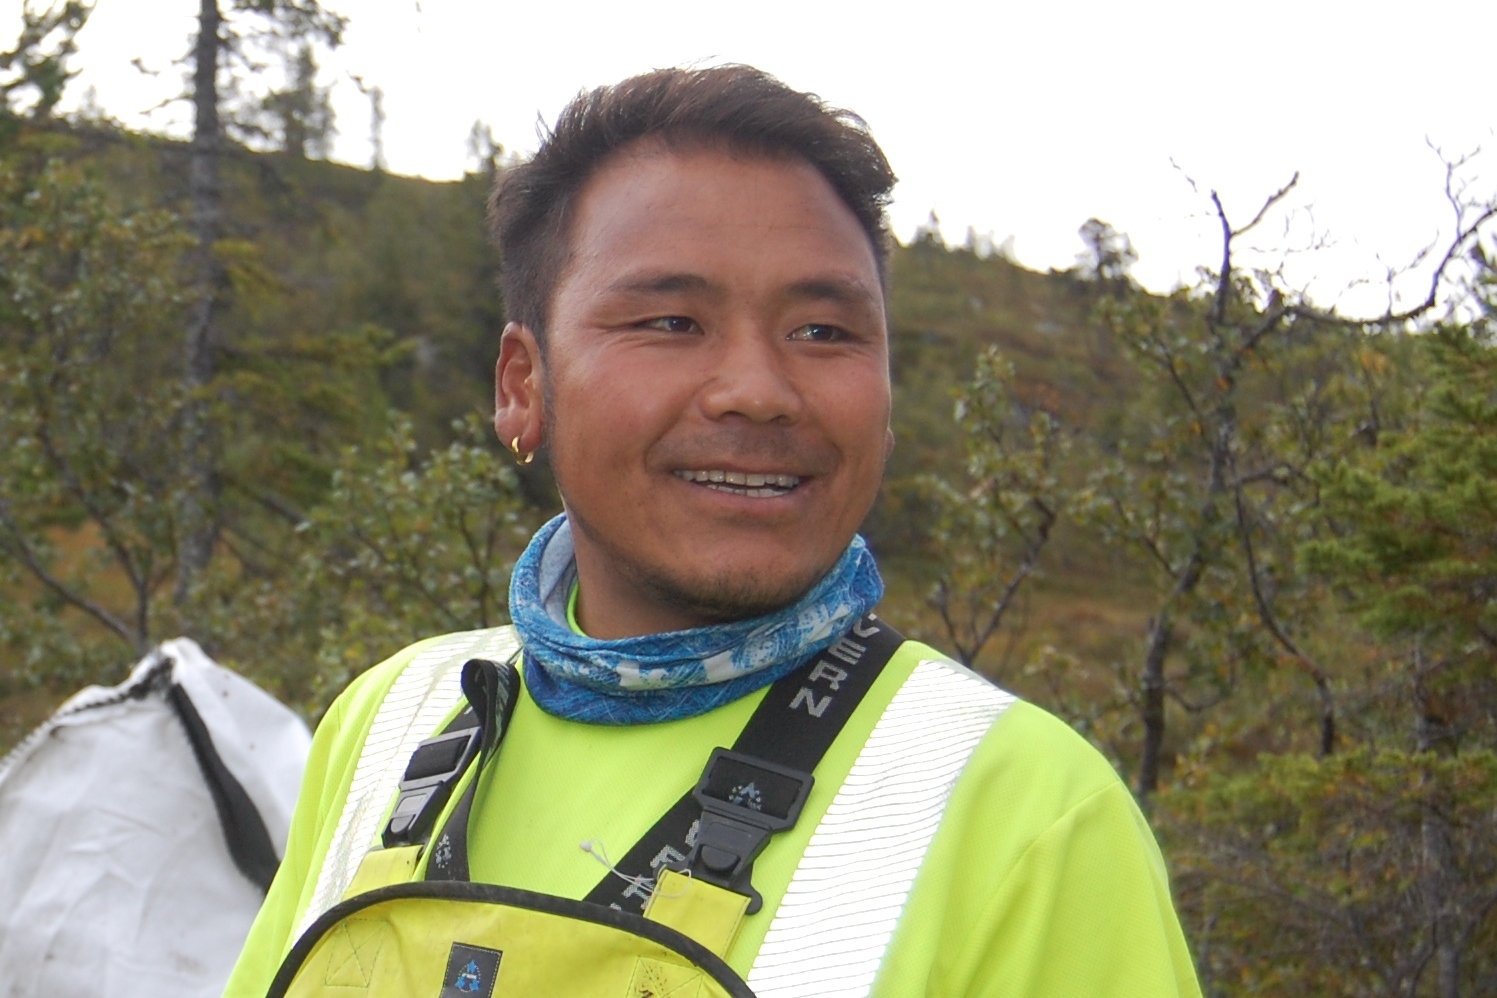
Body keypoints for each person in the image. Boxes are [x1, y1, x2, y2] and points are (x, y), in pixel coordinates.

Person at [224, 65, 1202, 998]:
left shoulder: (1023, 809)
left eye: (823, 332)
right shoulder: (390, 720)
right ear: (525, 386)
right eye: (670, 321)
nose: (759, 390)